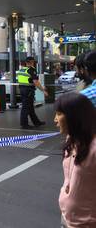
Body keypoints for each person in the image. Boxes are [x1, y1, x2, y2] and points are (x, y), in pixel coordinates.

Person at [54, 93, 96, 228]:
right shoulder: (71, 140)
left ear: (75, 117)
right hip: (67, 218)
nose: (55, 119)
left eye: (59, 114)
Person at [17, 56, 48, 129]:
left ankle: (36, 122)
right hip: (28, 90)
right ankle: (24, 124)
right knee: (25, 107)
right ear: (31, 62)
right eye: (33, 62)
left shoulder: (22, 70)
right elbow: (36, 82)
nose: (34, 63)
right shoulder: (31, 70)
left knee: (30, 107)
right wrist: (43, 90)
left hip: (22, 89)